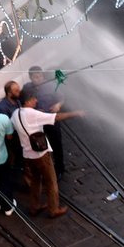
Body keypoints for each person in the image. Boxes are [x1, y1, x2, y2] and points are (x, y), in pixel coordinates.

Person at [11, 88, 82, 218]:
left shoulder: (15, 113)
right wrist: (76, 113)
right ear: (28, 101)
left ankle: (34, 207)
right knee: (51, 181)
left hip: (27, 155)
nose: (36, 100)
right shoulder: (33, 114)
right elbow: (57, 117)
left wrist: (39, 113)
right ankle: (54, 209)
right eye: (34, 99)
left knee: (35, 181)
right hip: (41, 155)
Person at [21, 66, 66, 178]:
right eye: (35, 77)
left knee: (56, 144)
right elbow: (22, 102)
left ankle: (59, 168)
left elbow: (62, 98)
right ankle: (42, 168)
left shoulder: (51, 85)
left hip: (50, 119)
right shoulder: (27, 88)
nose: (39, 79)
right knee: (39, 144)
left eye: (40, 76)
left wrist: (58, 105)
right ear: (30, 78)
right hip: (36, 122)